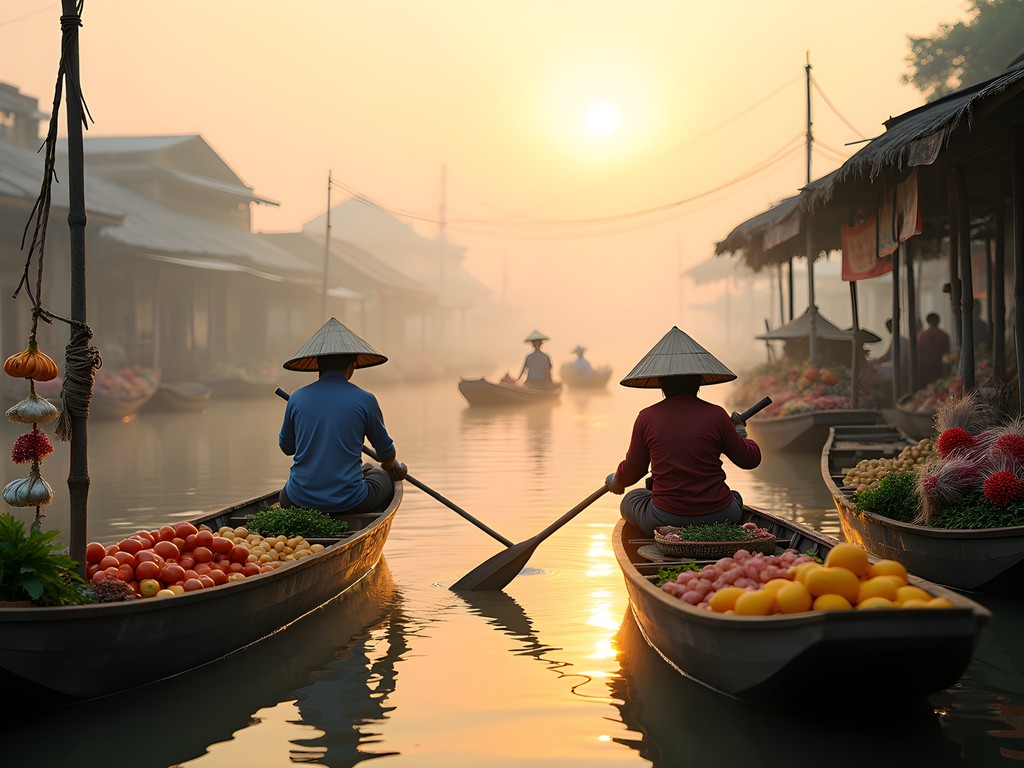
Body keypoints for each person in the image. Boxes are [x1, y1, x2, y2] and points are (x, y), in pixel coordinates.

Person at [604, 326, 762, 536]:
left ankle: (670, 532)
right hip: (720, 515)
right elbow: (750, 460)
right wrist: (741, 435)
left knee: (630, 499)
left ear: (661, 383)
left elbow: (634, 470)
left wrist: (616, 480)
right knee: (735, 497)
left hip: (665, 517)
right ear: (698, 381)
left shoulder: (646, 417)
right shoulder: (717, 414)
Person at [278, 317, 407, 516]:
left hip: (297, 500)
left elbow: (287, 447)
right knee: (381, 476)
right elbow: (385, 452)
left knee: (286, 494)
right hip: (349, 500)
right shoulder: (365, 399)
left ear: (318, 364)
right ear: (352, 366)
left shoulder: (297, 398)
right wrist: (392, 467)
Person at [916, 312, 950, 386]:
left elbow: (919, 355)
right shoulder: (943, 335)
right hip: (938, 370)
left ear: (927, 321)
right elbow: (946, 356)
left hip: (924, 370)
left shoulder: (921, 336)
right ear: (938, 321)